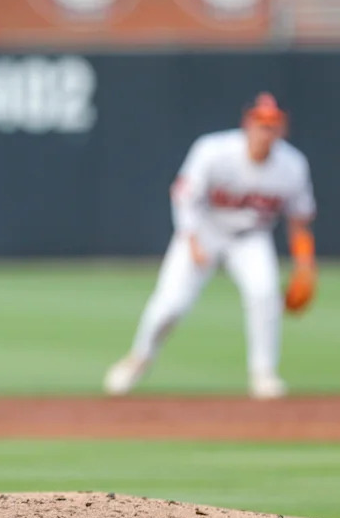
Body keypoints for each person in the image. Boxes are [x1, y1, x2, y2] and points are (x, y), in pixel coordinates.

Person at [103, 93, 317, 400]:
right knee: (170, 305)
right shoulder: (214, 150)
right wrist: (191, 240)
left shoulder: (292, 165)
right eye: (260, 123)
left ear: (282, 129)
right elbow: (184, 196)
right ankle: (139, 358)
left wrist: (304, 263)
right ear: (247, 124)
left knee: (265, 294)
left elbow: (299, 219)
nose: (265, 131)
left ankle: (263, 374)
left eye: (272, 125)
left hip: (250, 237)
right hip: (204, 230)